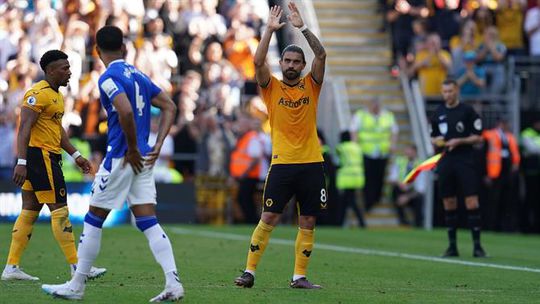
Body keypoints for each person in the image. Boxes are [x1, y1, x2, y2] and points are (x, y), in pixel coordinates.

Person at [41, 26, 183, 302]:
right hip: (142, 158)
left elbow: (126, 110)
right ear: (125, 48)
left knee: (93, 219)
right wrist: (156, 145)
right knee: (148, 220)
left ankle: (76, 285)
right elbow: (170, 106)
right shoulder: (139, 75)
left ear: (97, 51)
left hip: (122, 156)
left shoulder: (108, 77)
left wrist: (130, 148)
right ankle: (173, 282)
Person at [234, 2, 327, 289]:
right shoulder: (271, 87)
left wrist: (302, 27)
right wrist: (269, 31)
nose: (291, 65)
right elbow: (258, 63)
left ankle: (299, 276)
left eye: (296, 62)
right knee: (269, 216)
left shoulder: (312, 84)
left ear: (302, 65)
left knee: (308, 220)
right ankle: (249, 272)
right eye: (287, 61)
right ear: (282, 64)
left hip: (312, 163)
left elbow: (321, 54)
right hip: (283, 163)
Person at [1, 50, 106, 281]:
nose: (69, 72)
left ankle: (11, 267)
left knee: (30, 209)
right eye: (64, 68)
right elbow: (24, 128)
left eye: (69, 67)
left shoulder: (56, 96)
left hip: (44, 156)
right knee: (60, 211)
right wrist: (21, 161)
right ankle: (78, 268)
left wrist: (76, 155)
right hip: (41, 158)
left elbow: (57, 131)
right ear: (50, 71)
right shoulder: (37, 94)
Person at [430, 79, 487, 258]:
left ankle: (477, 247)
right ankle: (452, 246)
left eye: (450, 91)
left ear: (457, 91)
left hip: (465, 159)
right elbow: (433, 136)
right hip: (446, 160)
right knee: (449, 202)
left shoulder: (467, 111)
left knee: (472, 201)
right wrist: (437, 141)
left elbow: (478, 137)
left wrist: (460, 141)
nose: (447, 94)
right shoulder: (438, 112)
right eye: (445, 91)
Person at [350, 97, 398, 212]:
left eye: (377, 106)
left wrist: (392, 144)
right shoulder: (360, 115)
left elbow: (394, 131)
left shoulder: (388, 115)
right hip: (366, 152)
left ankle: (376, 198)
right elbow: (353, 130)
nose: (375, 108)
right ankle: (368, 202)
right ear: (369, 105)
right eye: (373, 106)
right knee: (367, 177)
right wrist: (355, 146)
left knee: (379, 177)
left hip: (382, 152)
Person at [481, 117, 520, 231]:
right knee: (493, 201)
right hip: (494, 173)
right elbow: (484, 156)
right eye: (504, 123)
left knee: (506, 201)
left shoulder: (509, 137)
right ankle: (490, 226)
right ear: (499, 124)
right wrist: (485, 174)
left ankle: (503, 226)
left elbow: (515, 153)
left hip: (507, 173)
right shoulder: (489, 135)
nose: (505, 125)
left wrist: (515, 164)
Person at [388, 145, 425, 227]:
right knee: (395, 190)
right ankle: (403, 221)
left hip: (413, 192)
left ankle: (418, 223)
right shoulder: (399, 161)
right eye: (406, 152)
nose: (407, 154)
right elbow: (392, 178)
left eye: (410, 152)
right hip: (401, 189)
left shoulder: (420, 164)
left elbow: (421, 188)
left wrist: (407, 197)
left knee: (419, 198)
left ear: (415, 152)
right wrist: (400, 184)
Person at [335, 131, 366, 228]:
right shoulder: (357, 147)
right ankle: (341, 222)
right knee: (347, 200)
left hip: (346, 177)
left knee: (349, 201)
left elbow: (338, 161)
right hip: (357, 176)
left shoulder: (341, 147)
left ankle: (360, 223)